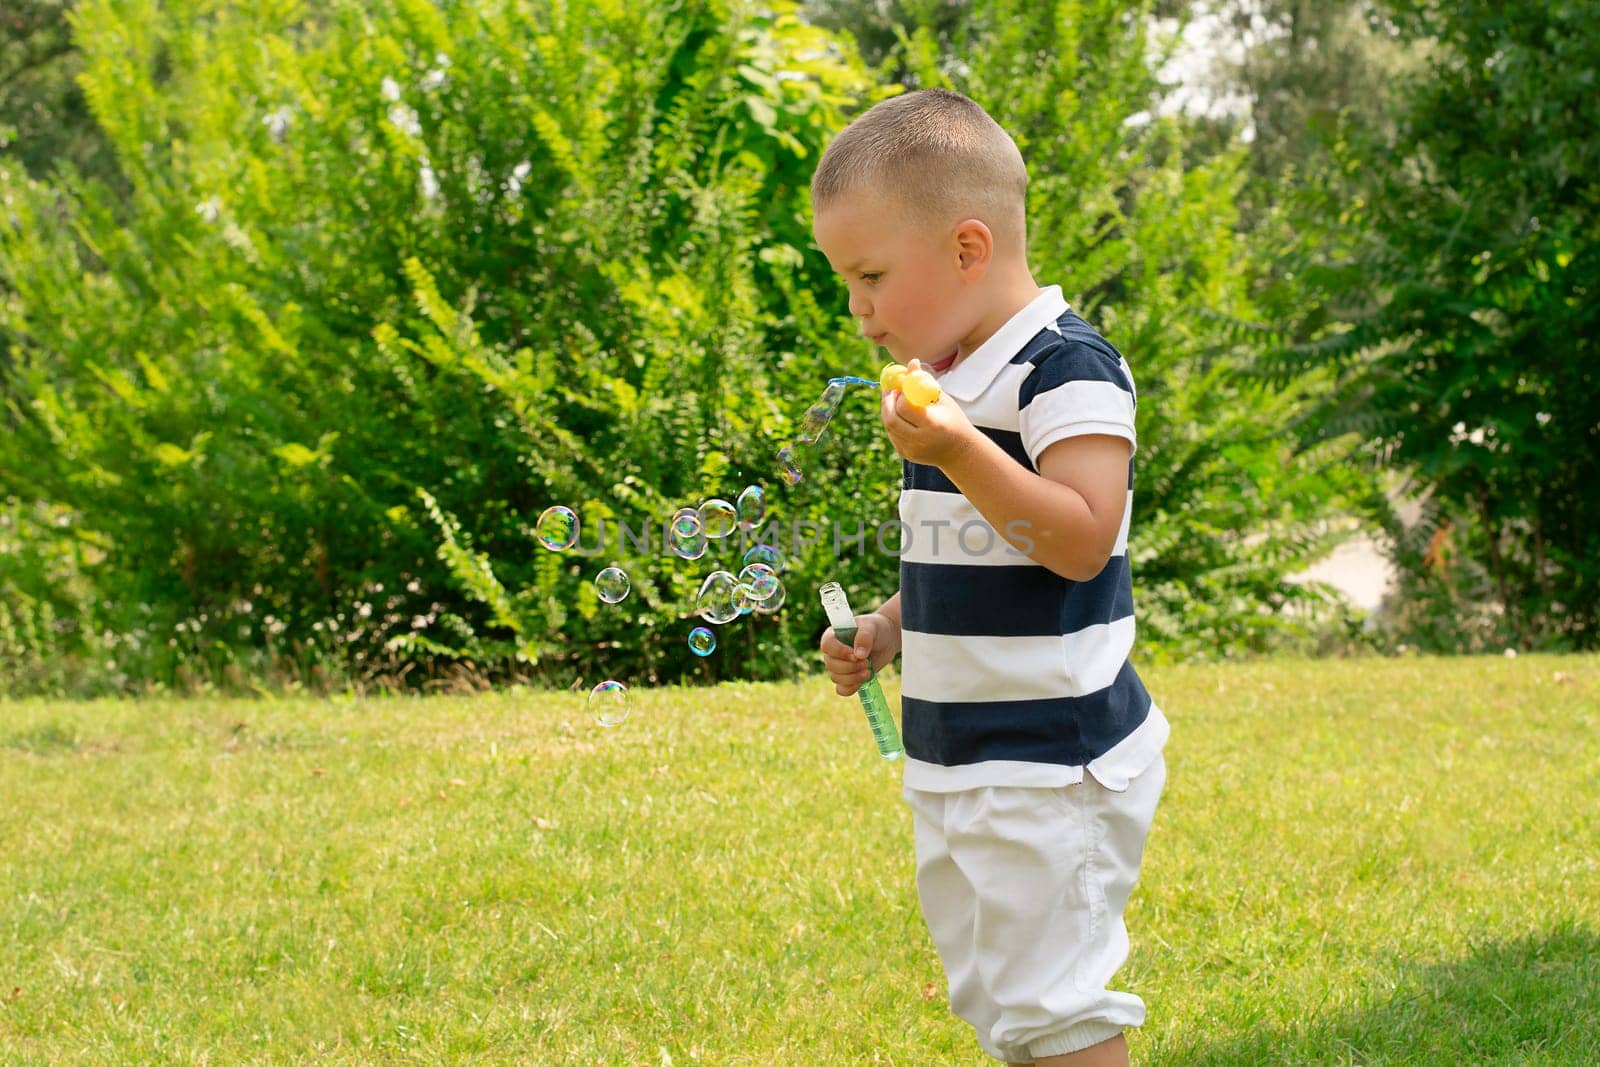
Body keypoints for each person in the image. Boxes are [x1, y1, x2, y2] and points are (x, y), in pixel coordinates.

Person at [813, 88, 1170, 1067]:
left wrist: (962, 446)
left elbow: (1079, 539)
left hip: (1049, 754)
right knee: (999, 992)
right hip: (958, 750)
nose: (861, 310)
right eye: (847, 281)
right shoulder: (951, 388)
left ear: (969, 247)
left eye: (872, 275)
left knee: (1054, 1002)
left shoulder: (1068, 370)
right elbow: (974, 546)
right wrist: (889, 625)